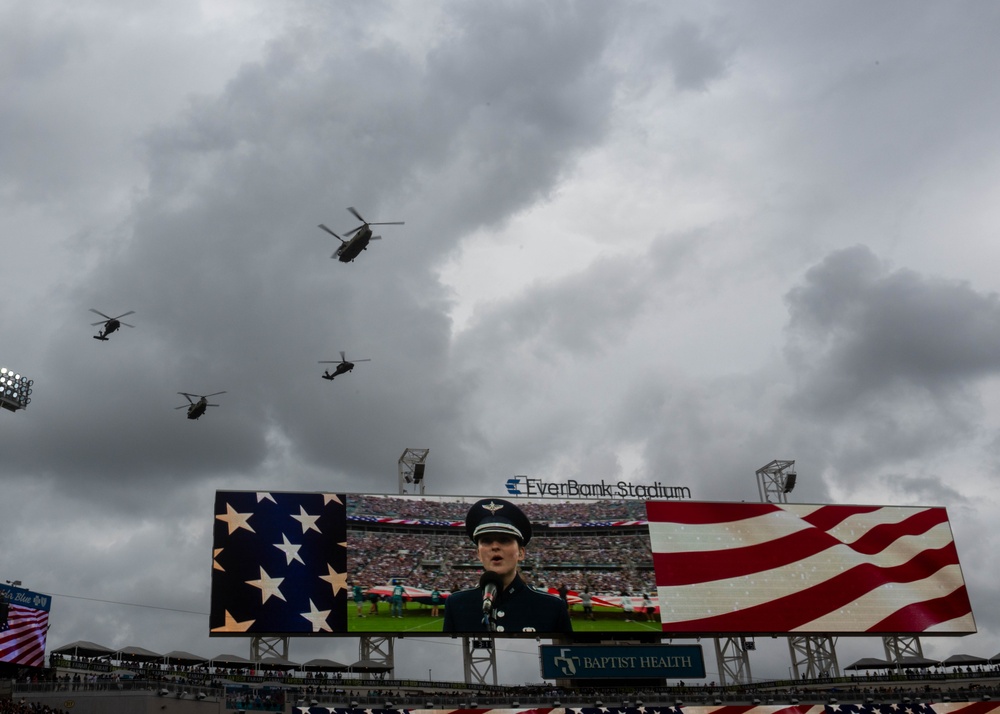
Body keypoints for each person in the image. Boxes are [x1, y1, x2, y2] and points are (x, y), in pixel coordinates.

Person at [443, 498, 572, 635]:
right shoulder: (457, 605)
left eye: (504, 540)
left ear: (521, 553)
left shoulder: (552, 607)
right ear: (478, 554)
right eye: (486, 541)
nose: (495, 546)